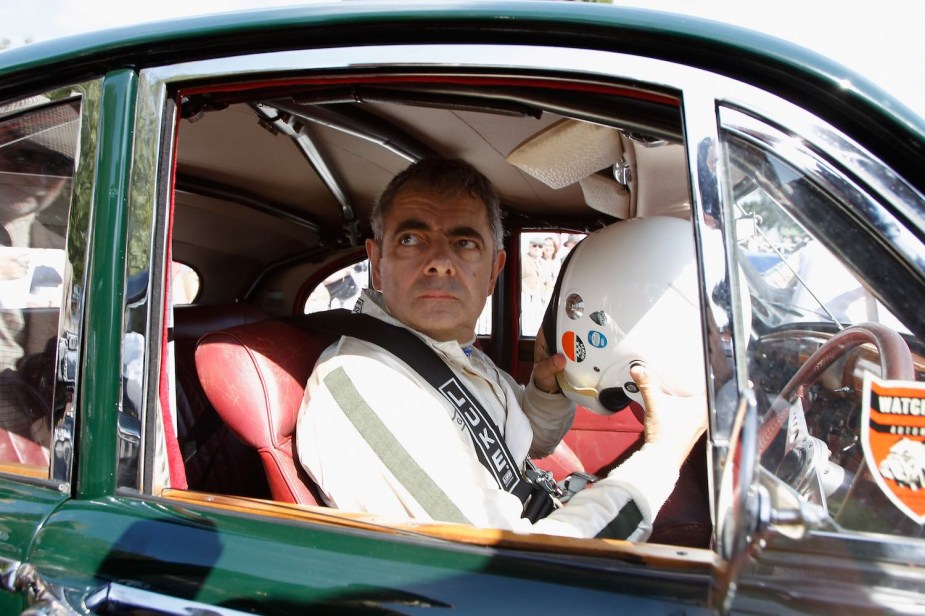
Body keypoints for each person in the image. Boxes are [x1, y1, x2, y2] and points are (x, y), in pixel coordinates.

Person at [296, 157, 705, 540]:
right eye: (410, 239)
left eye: (465, 243)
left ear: (494, 272)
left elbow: (521, 442)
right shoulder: (364, 378)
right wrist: (662, 455)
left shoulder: (455, 354)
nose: (440, 261)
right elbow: (509, 564)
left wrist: (548, 390)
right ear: (377, 263)